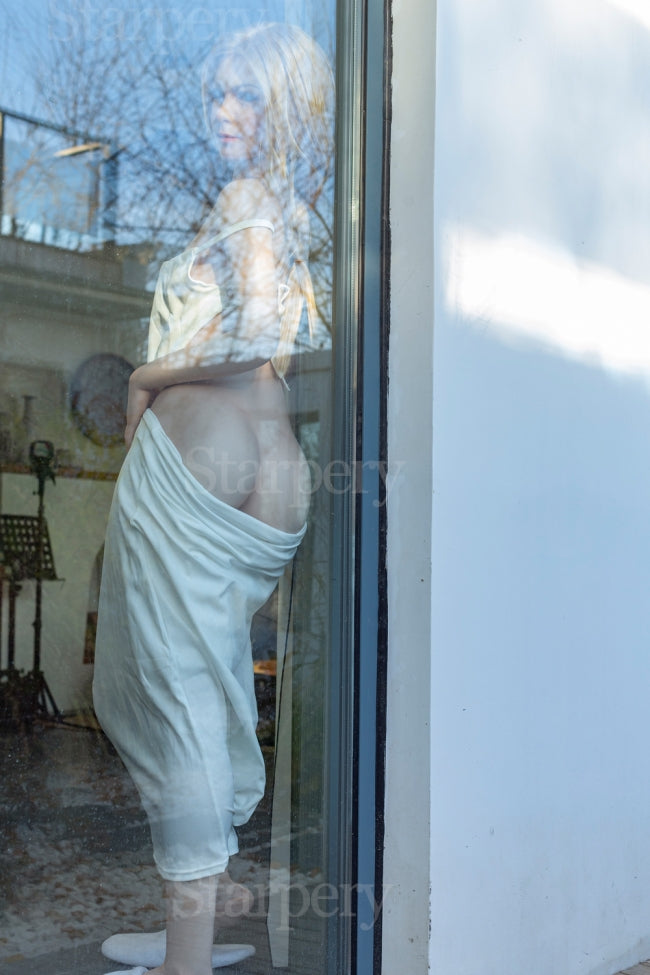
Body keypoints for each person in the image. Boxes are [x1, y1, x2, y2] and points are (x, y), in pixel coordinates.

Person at [93, 23, 334, 975]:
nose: (223, 112)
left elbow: (259, 327)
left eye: (247, 94)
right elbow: (282, 344)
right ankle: (195, 918)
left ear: (288, 109)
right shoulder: (297, 209)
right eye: (215, 94)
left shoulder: (246, 200)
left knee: (172, 690)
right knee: (211, 678)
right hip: (274, 473)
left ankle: (185, 959)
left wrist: (147, 374)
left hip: (201, 469)